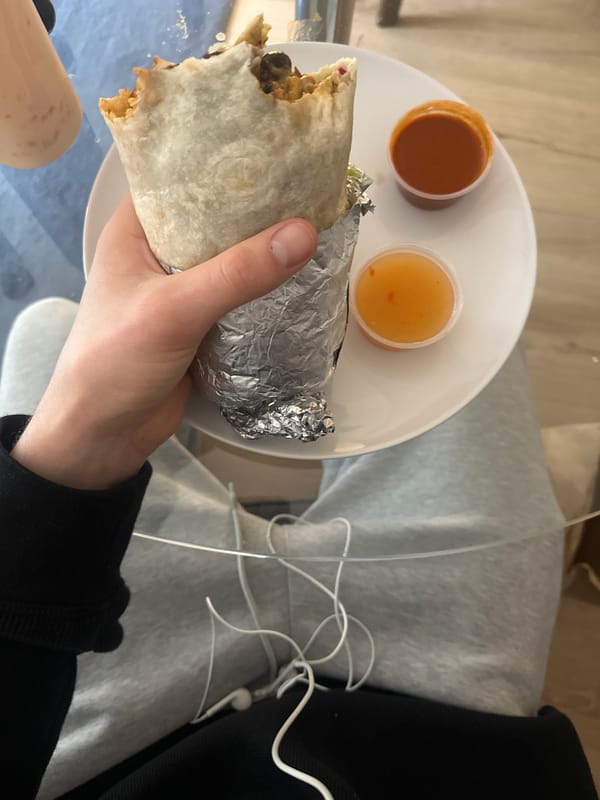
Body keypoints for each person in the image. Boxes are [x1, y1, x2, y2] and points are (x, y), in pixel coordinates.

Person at [0, 197, 596, 800]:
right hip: (445, 724)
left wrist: (75, 452)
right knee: (474, 340)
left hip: (110, 732)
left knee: (46, 327)